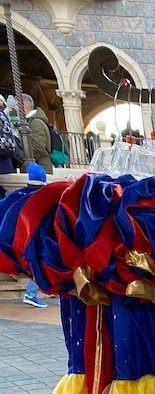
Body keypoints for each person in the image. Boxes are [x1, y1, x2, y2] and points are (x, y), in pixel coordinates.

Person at [21, 162, 49, 307]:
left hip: (25, 238)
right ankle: (30, 294)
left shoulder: (21, 195)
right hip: (38, 238)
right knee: (38, 266)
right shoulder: (43, 196)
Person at [20, 93, 53, 174]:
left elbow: (39, 146)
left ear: (24, 107)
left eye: (17, 106)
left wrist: (24, 158)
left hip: (40, 168)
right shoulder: (31, 121)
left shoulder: (36, 122)